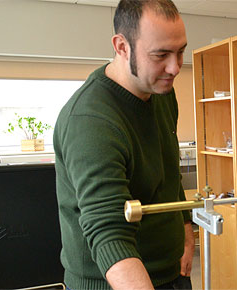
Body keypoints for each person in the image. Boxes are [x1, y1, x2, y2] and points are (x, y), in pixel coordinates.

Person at [54, 0, 193, 289]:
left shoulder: (161, 90)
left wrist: (185, 229)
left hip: (171, 272)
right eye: (160, 54)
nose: (175, 67)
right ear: (122, 47)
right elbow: (108, 232)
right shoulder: (91, 120)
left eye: (180, 52)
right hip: (113, 281)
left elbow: (168, 171)